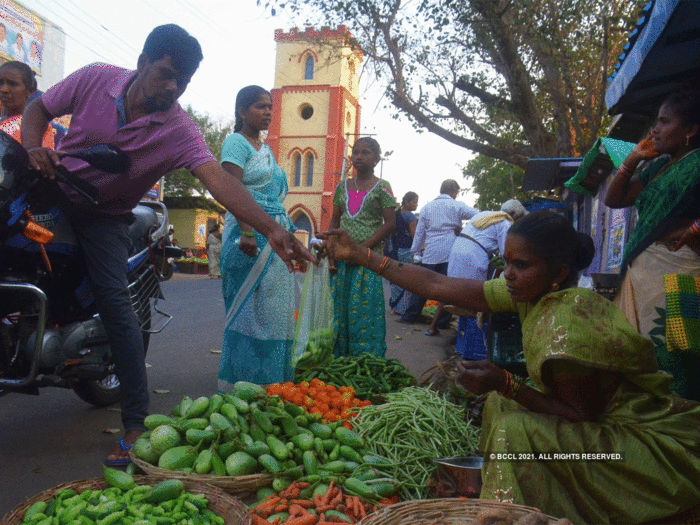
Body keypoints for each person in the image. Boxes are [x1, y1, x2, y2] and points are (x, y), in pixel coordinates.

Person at [22, 25, 314, 466]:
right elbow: (38, 108)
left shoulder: (179, 128)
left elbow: (218, 180)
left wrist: (274, 230)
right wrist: (31, 149)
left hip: (103, 215)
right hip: (53, 190)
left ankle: (135, 424)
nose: (173, 87)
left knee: (115, 302)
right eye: (165, 73)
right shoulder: (95, 77)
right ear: (142, 63)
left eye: (183, 81)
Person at [320, 210, 700, 524]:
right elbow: (438, 284)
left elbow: (581, 416)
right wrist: (364, 256)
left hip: (627, 445)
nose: (508, 274)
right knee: (500, 407)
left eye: (521, 265)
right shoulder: (532, 289)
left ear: (559, 273)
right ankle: (508, 502)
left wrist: (505, 382)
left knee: (515, 428)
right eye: (505, 263)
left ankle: (513, 515)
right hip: (594, 427)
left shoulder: (569, 320)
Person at [604, 89, 700, 401]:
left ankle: (679, 425)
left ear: (690, 130)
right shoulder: (660, 166)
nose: (654, 130)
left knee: (676, 350)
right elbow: (614, 199)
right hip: (646, 270)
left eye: (664, 121)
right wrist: (631, 160)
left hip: (681, 270)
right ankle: (647, 419)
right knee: (640, 349)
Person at [218, 85, 298, 389]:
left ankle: (269, 380)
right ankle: (240, 382)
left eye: (270, 107)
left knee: (273, 311)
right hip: (246, 235)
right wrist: (248, 231)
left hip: (273, 236)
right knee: (247, 311)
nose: (267, 112)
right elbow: (231, 190)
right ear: (241, 111)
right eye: (259, 107)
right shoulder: (236, 144)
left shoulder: (266, 149)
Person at [328, 136, 396, 357]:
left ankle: (365, 361)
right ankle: (338, 359)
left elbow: (390, 224)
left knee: (364, 312)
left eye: (366, 153)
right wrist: (331, 250)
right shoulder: (342, 186)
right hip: (342, 259)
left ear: (376, 159)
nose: (359, 156)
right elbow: (334, 221)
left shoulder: (383, 187)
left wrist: (361, 249)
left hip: (368, 259)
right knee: (339, 310)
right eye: (356, 152)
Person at [437, 199, 528, 357]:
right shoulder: (505, 223)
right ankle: (474, 352)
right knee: (476, 300)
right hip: (472, 257)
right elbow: (508, 253)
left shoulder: (486, 215)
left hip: (458, 251)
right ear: (515, 216)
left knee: (462, 298)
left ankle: (462, 345)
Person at [399, 179, 478, 331]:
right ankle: (442, 322)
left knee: (422, 286)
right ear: (454, 192)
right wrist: (463, 232)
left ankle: (409, 316)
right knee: (448, 289)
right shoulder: (457, 205)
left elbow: (420, 232)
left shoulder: (427, 207)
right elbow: (479, 215)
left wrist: (414, 251)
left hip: (430, 252)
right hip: (450, 252)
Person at [0, 61, 54, 147]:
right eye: (0, 83)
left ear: (30, 91)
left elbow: (39, 159)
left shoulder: (39, 126)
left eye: (13, 84)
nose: (4, 89)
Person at [388, 191, 419, 315]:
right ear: (407, 202)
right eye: (415, 202)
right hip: (406, 250)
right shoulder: (410, 217)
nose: (416, 205)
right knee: (406, 277)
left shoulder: (395, 214)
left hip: (394, 249)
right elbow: (415, 235)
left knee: (395, 277)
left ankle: (395, 307)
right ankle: (402, 308)